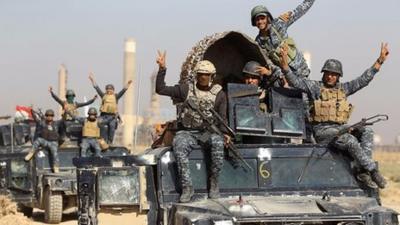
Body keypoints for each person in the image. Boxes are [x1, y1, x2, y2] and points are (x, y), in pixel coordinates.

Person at [280, 43, 389, 189]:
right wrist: (285, 67)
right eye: (328, 73)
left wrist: (379, 61)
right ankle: (372, 170)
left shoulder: (344, 89)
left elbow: (363, 80)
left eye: (334, 74)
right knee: (350, 140)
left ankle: (362, 171)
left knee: (367, 131)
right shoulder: (314, 87)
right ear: (323, 74)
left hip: (340, 128)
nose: (330, 76)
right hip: (322, 132)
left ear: (338, 76)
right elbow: (296, 82)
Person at [155, 51, 230, 203]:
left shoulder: (219, 94)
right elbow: (161, 89)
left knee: (217, 143)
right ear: (196, 75)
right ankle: (187, 187)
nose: (203, 77)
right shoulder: (185, 90)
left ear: (212, 76)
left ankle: (214, 184)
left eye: (206, 74)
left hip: (207, 132)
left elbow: (222, 119)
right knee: (179, 145)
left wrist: (225, 134)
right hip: (188, 132)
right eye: (201, 74)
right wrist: (162, 69)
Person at [251, 0, 315, 78]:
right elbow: (269, 63)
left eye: (262, 18)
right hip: (286, 77)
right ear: (254, 22)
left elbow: (299, 11)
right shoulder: (259, 43)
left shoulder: (278, 24)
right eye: (257, 19)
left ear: (267, 18)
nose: (260, 21)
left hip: (301, 70)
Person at [88, 73, 132, 144]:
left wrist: (128, 84)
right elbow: (97, 88)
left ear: (113, 90)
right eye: (107, 89)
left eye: (110, 89)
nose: (109, 91)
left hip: (112, 117)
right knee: (101, 127)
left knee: (112, 128)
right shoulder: (103, 96)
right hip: (103, 116)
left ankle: (110, 142)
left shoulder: (116, 96)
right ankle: (102, 141)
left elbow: (123, 91)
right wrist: (92, 80)